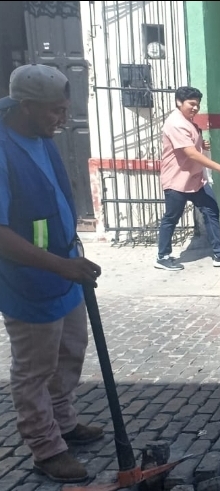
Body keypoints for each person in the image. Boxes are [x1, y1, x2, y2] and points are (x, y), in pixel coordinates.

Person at [0, 64, 104, 482]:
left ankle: (64, 421)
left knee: (70, 352)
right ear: (25, 106)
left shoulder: (41, 137)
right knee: (34, 370)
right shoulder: (4, 149)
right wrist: (61, 264)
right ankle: (46, 449)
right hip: (30, 280)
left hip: (65, 272)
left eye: (64, 109)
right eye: (54, 111)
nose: (63, 119)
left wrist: (71, 258)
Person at [155, 86, 220, 271]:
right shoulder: (175, 123)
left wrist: (201, 143)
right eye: (192, 104)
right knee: (171, 218)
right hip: (177, 180)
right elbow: (190, 153)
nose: (195, 108)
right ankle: (162, 257)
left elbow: (192, 144)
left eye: (197, 104)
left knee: (210, 209)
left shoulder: (187, 121)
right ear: (179, 102)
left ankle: (219, 253)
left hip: (196, 179)